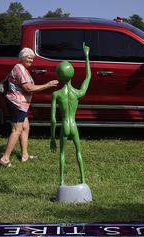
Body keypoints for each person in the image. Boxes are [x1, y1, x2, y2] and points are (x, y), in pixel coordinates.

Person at [0, 47, 58, 167]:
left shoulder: (24, 69)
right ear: (22, 58)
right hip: (17, 103)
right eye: (29, 58)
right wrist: (48, 85)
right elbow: (28, 88)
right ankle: (5, 158)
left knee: (25, 127)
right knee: (17, 130)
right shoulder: (19, 68)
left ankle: (24, 155)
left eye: (32, 58)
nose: (31, 60)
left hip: (22, 104)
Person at [50, 43, 91, 185]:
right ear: (72, 73)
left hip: (64, 127)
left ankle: (61, 182)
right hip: (73, 125)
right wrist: (86, 57)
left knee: (62, 154)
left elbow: (53, 119)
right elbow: (88, 77)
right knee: (78, 153)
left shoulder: (56, 94)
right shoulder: (77, 93)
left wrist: (52, 138)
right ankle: (83, 179)